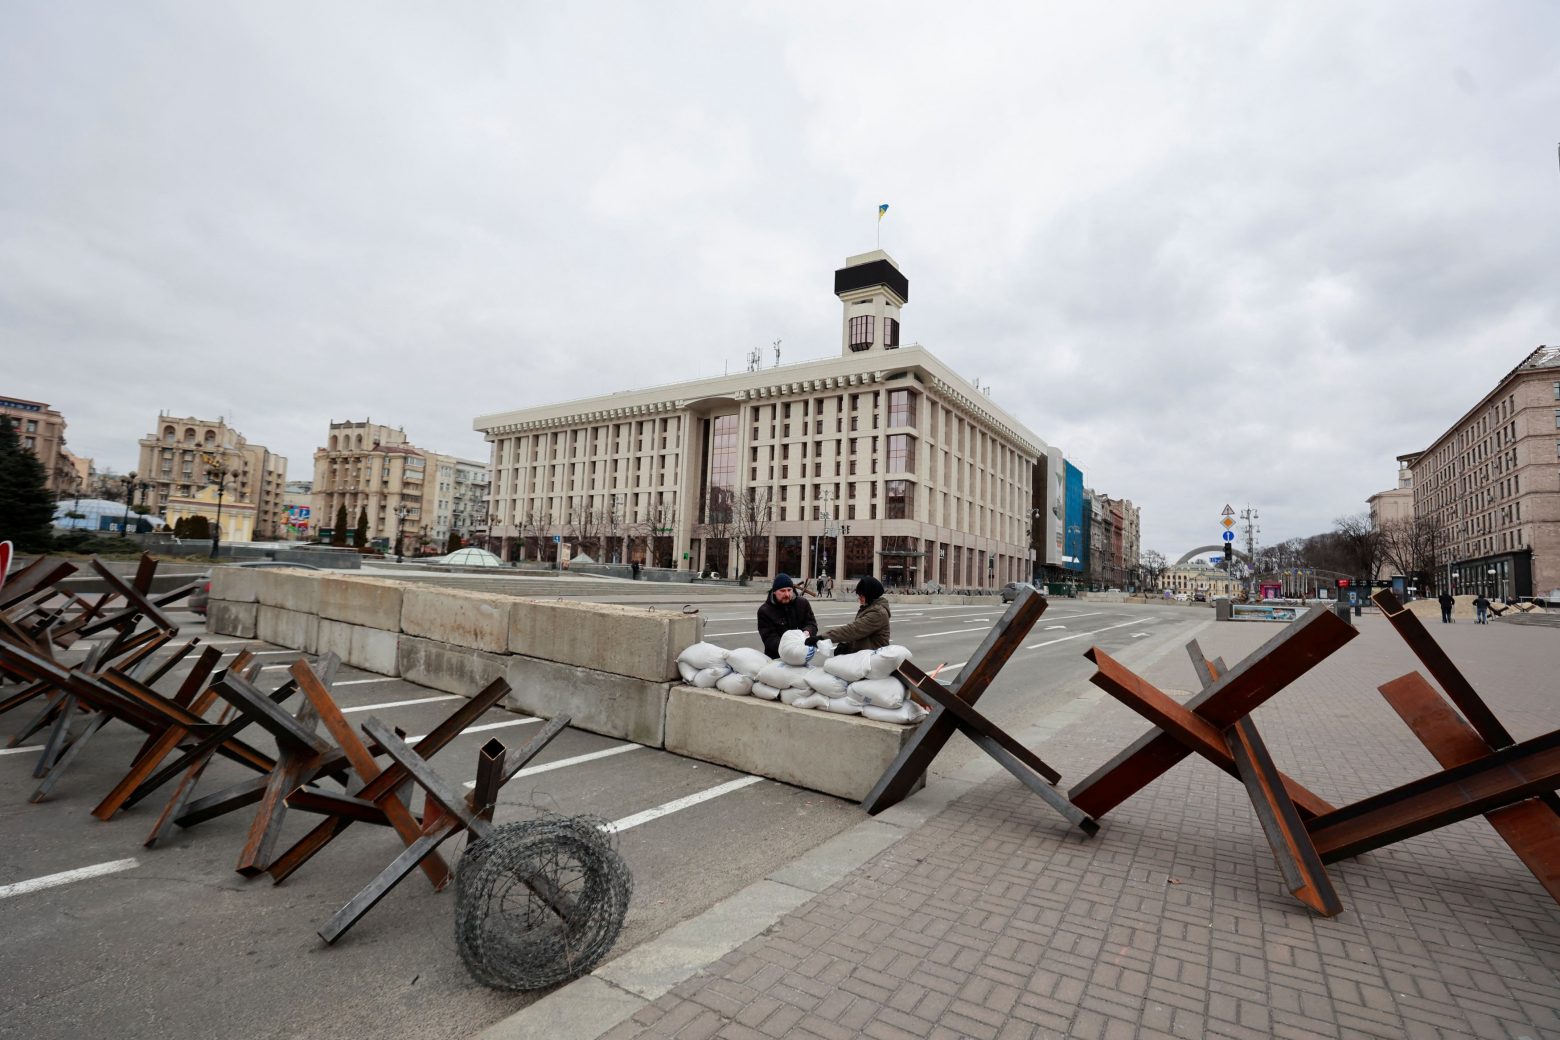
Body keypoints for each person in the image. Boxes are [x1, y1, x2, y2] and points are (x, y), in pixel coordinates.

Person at [811, 575, 891, 654]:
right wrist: (846, 644)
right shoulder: (868, 608)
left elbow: (854, 629)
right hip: (865, 655)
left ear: (870, 595)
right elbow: (858, 634)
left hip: (873, 659)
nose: (859, 598)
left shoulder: (877, 613)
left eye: (861, 595)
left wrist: (822, 637)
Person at [756, 573, 818, 658]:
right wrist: (790, 645)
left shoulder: (803, 604)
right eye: (782, 591)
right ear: (774, 592)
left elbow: (812, 624)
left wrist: (807, 632)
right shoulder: (765, 611)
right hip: (776, 657)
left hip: (801, 655)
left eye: (789, 590)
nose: (787, 594)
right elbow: (769, 639)